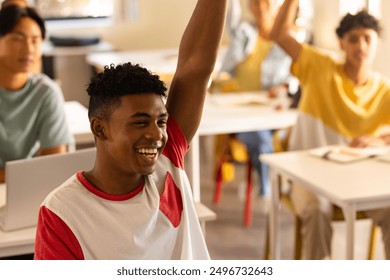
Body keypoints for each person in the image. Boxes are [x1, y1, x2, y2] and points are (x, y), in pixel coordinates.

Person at [34, 0, 227, 260]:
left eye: (161, 121)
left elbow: (195, 67)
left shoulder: (167, 159)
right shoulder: (62, 213)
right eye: (140, 122)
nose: (157, 134)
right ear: (99, 129)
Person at [270, 0, 390, 259]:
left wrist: (380, 139)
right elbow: (278, 35)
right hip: (307, 176)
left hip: (359, 179)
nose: (361, 46)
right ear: (342, 43)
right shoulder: (319, 67)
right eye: (354, 39)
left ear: (377, 44)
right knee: (317, 211)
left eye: (368, 39)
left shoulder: (383, 89)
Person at [212, 0, 296, 199]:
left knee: (272, 135)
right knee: (259, 137)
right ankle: (269, 187)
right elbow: (229, 16)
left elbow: (297, 74)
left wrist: (285, 86)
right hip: (240, 112)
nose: (261, 9)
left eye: (266, 3)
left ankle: (274, 183)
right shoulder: (243, 33)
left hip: (271, 111)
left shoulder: (286, 40)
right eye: (256, 3)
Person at [0, 5, 73, 183]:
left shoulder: (46, 92)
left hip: (24, 189)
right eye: (18, 39)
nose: (29, 48)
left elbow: (54, 164)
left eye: (35, 40)